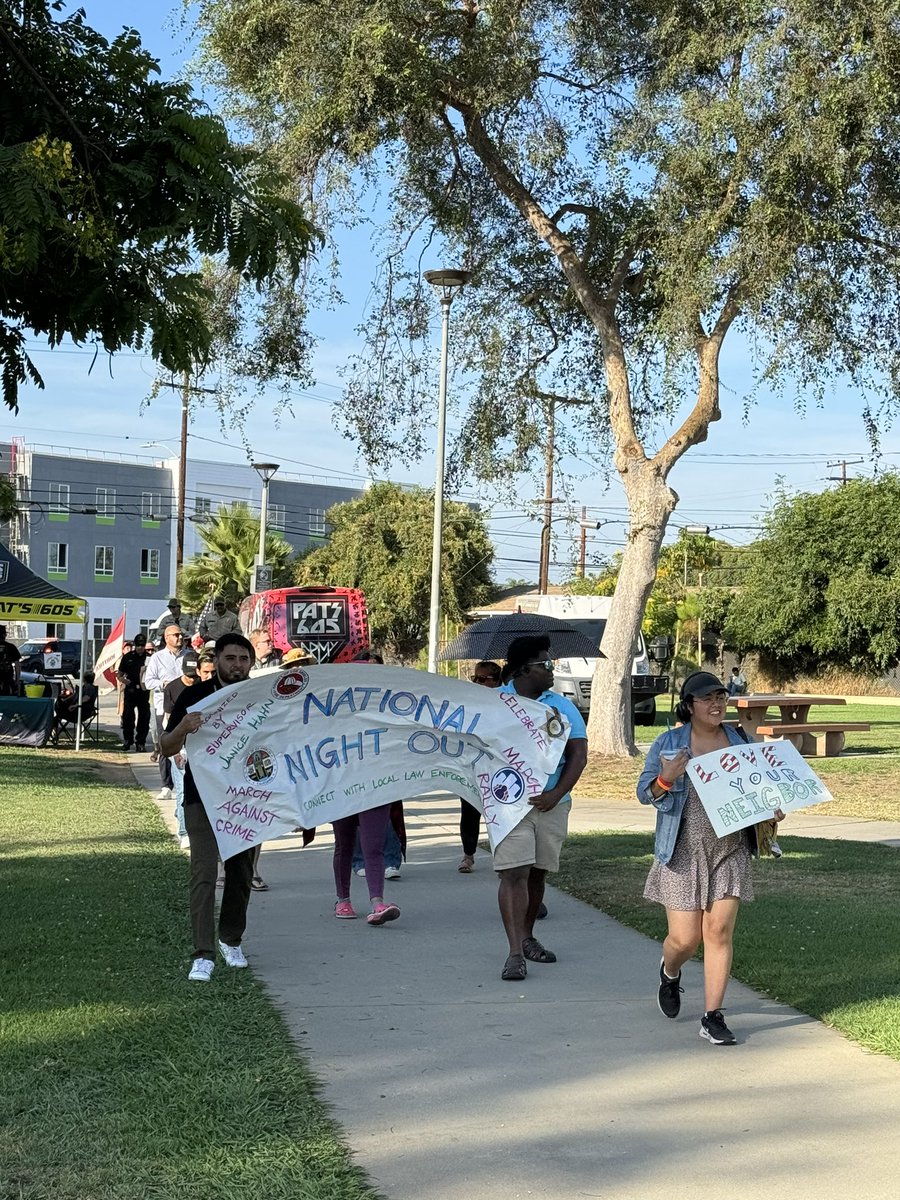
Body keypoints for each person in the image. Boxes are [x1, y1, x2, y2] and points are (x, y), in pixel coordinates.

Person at [637, 671, 784, 1046]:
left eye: (721, 697)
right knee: (684, 940)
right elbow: (644, 793)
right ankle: (670, 972)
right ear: (689, 706)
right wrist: (666, 778)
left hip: (729, 850)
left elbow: (760, 788)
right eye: (707, 699)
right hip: (683, 850)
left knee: (718, 932)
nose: (716, 704)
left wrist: (771, 809)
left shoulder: (739, 740)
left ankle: (712, 1016)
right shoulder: (669, 743)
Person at [161, 632, 257, 982]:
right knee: (203, 873)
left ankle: (231, 939)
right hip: (201, 797)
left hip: (248, 799)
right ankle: (203, 954)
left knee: (241, 873)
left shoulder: (261, 696)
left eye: (243, 659)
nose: (237, 665)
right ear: (216, 661)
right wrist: (184, 727)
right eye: (230, 658)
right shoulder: (194, 696)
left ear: (252, 663)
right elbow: (166, 747)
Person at [494, 636, 588, 982]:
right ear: (523, 670)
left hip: (552, 804)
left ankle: (527, 936)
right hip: (508, 805)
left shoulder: (562, 706)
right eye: (545, 665)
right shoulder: (494, 704)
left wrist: (556, 793)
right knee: (513, 873)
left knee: (537, 873)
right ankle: (514, 954)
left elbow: (578, 754)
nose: (552, 670)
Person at [457, 660, 502, 873]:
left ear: (497, 681)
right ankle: (468, 855)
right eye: (475, 678)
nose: (477, 682)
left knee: (499, 813)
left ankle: (502, 857)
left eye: (483, 679)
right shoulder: (468, 701)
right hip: (472, 764)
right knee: (469, 810)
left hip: (497, 766)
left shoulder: (505, 702)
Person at [143, 624, 186, 802]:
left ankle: (185, 782)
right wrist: (163, 684)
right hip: (164, 708)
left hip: (186, 707)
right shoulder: (157, 658)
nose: (180, 637)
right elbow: (148, 682)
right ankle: (166, 785)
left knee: (185, 746)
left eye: (181, 634)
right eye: (176, 635)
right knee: (165, 745)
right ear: (167, 638)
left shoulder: (189, 656)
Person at [163, 651, 199, 849]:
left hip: (198, 747)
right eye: (188, 676)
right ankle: (184, 832)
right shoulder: (172, 688)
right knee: (182, 789)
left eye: (195, 676)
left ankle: (182, 813)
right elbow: (168, 721)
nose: (192, 680)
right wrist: (176, 749)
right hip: (179, 745)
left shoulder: (202, 688)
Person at [116, 633, 152, 752]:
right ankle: (127, 740)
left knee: (144, 718)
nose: (140, 648)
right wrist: (123, 680)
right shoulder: (128, 657)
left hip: (143, 691)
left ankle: (140, 742)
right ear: (135, 645)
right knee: (127, 717)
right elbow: (119, 674)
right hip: (130, 690)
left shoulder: (150, 658)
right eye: (138, 645)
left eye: (142, 645)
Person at [49, 671, 99, 742]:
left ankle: (54, 733)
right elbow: (74, 695)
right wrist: (64, 699)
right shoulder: (84, 687)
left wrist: (75, 705)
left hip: (82, 712)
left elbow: (86, 698)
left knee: (58, 714)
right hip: (77, 710)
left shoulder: (89, 688)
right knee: (58, 712)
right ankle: (54, 733)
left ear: (84, 679)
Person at [0, 626, 21, 697]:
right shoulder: (11, 647)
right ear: (4, 635)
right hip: (8, 682)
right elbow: (17, 665)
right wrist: (17, 680)